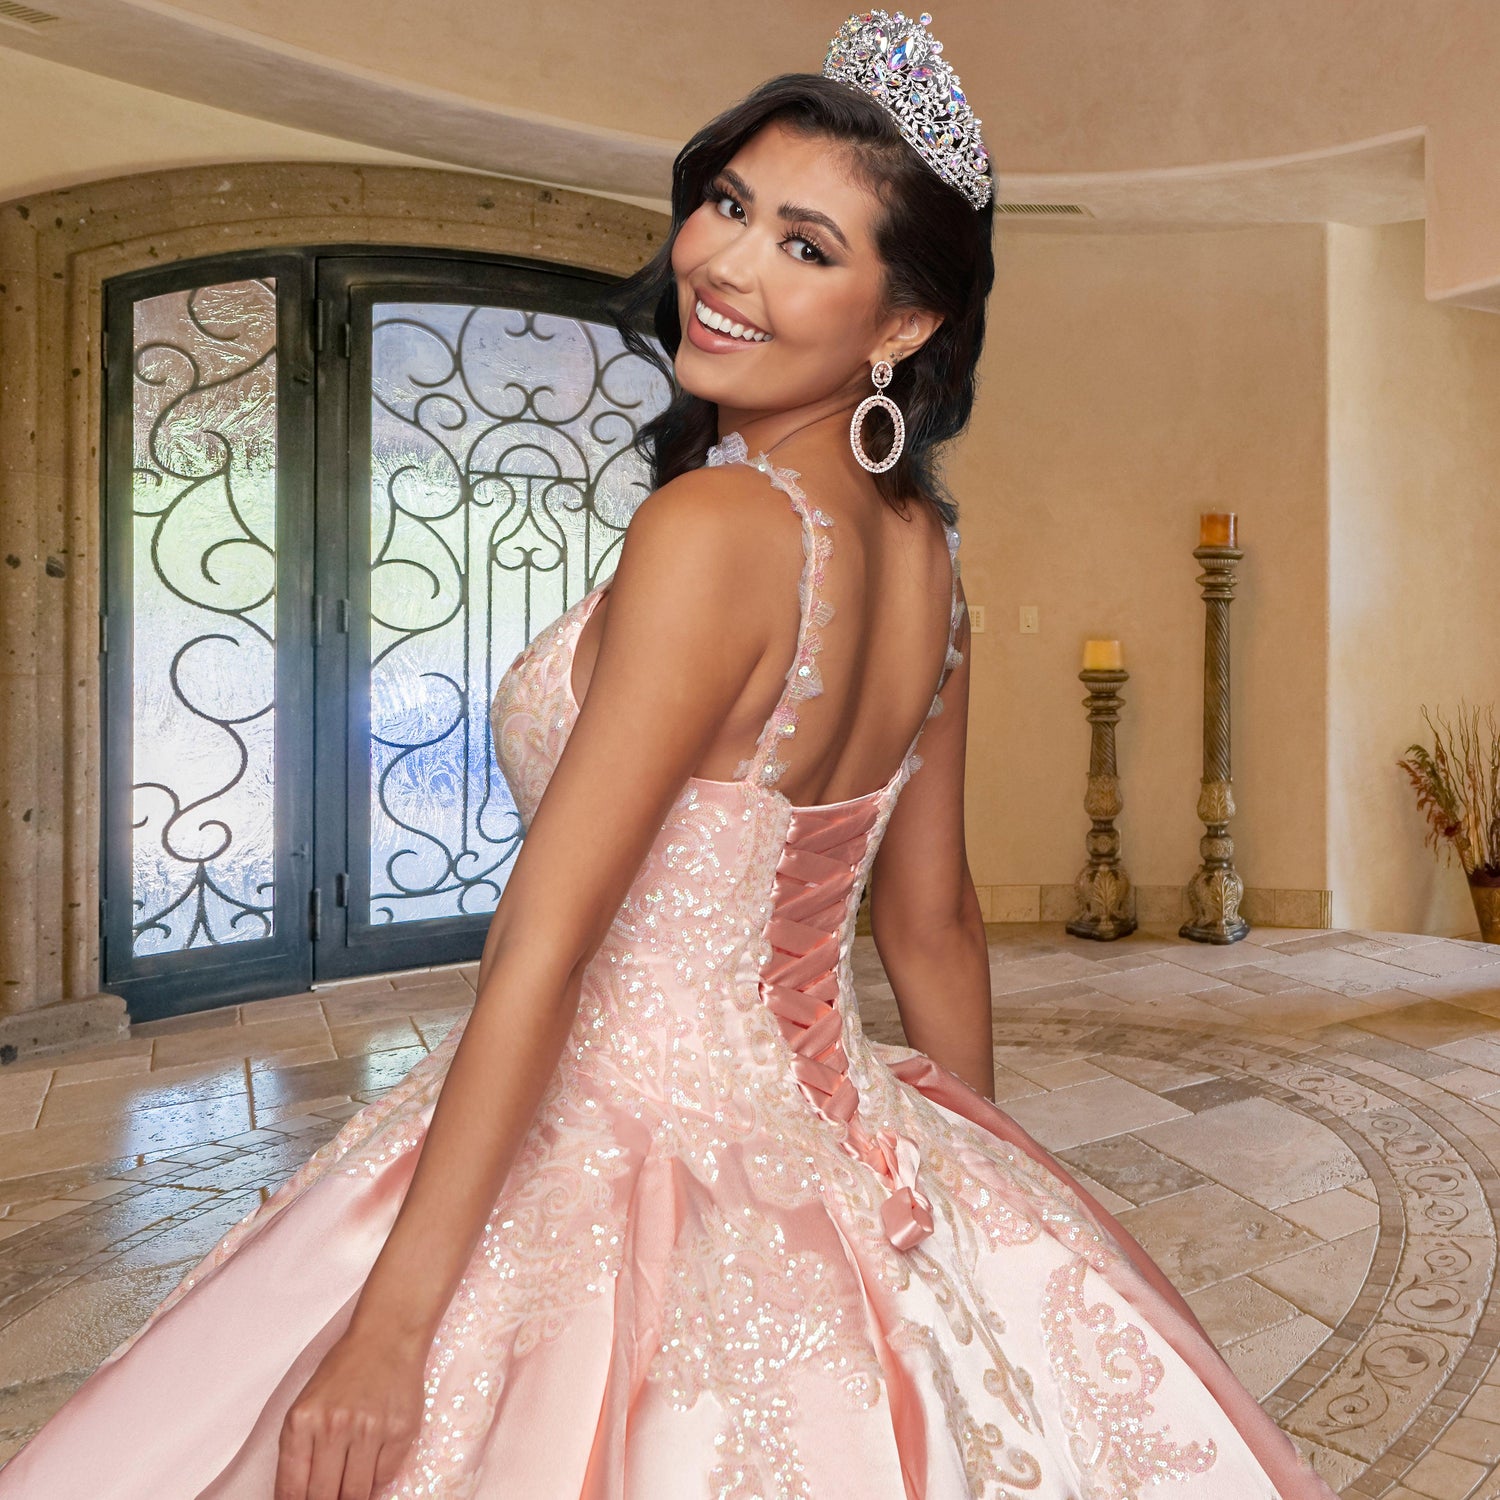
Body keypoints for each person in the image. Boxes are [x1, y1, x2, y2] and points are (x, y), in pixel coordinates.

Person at [0, 12, 1338, 1499]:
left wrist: (391, 1327)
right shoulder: (929, 561)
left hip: (622, 1130)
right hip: (831, 1126)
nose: (726, 262)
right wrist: (968, 1196)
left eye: (807, 246)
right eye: (729, 205)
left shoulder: (715, 531)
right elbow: (935, 923)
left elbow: (549, 947)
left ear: (903, 326)